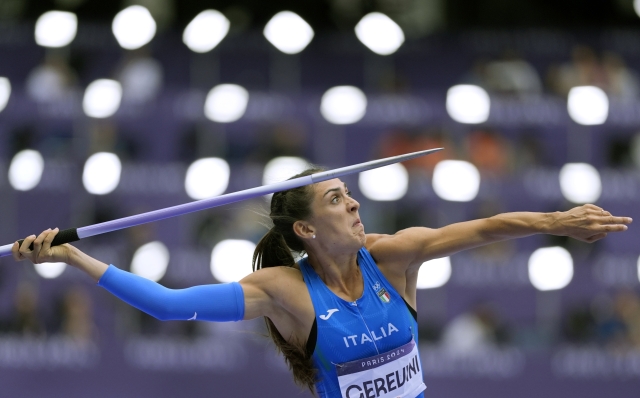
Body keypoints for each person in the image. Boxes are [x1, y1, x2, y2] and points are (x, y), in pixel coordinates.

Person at [11, 168, 632, 398]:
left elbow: (485, 228)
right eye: (338, 198)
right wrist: (75, 260)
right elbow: (171, 307)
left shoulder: (392, 257)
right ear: (307, 229)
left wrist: (556, 220)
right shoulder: (284, 290)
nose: (355, 204)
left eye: (350, 192)